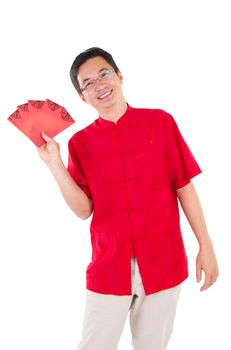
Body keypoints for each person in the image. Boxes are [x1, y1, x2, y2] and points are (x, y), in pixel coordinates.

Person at [37, 47, 219, 350]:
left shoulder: (160, 123)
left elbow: (183, 186)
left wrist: (206, 245)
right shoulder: (80, 143)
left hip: (164, 261)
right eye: (88, 83)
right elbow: (84, 210)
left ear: (119, 76)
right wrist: (54, 163)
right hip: (109, 266)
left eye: (104, 73)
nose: (99, 85)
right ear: (82, 97)